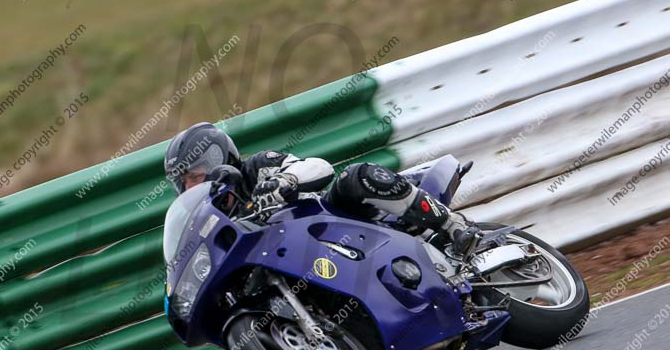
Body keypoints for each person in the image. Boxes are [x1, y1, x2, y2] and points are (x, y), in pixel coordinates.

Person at [164, 122, 479, 253]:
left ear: (217, 156)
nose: (190, 184)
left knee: (356, 176)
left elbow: (318, 167)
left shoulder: (256, 167)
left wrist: (285, 180)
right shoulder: (214, 220)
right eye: (184, 181)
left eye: (193, 174)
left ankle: (454, 225)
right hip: (305, 258)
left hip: (337, 219)